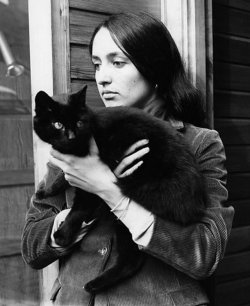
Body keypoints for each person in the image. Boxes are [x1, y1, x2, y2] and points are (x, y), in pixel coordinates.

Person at [21, 12, 234, 306]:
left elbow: (205, 254)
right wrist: (68, 223)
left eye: (117, 62)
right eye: (97, 65)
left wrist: (110, 192)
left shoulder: (200, 143)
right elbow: (32, 248)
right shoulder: (75, 133)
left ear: (154, 67)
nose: (103, 77)